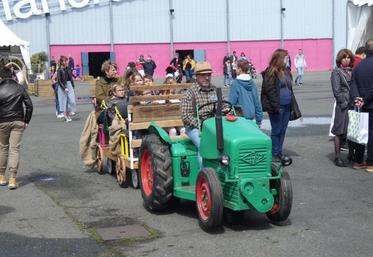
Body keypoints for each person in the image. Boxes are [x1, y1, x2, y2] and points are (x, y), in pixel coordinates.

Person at [0, 66, 33, 189]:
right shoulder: (20, 88)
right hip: (18, 120)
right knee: (14, 149)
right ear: (13, 75)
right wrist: (26, 120)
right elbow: (29, 105)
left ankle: (2, 176)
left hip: (2, 121)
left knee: (3, 148)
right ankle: (13, 179)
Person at [181, 61, 217, 167]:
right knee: (204, 146)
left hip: (214, 125)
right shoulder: (190, 93)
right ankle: (204, 176)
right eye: (203, 75)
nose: (207, 78)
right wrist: (202, 125)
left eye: (209, 75)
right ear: (196, 76)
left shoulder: (215, 90)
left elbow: (224, 107)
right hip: (195, 127)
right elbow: (186, 116)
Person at [261, 49, 293, 163]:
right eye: (286, 58)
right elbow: (270, 91)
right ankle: (274, 153)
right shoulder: (271, 72)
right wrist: (275, 107)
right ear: (280, 59)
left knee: (283, 130)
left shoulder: (286, 71)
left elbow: (289, 88)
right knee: (276, 130)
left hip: (287, 106)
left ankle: (279, 152)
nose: (287, 60)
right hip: (277, 107)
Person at [350, 39, 373, 172]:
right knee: (370, 133)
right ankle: (370, 162)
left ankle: (358, 160)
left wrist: (357, 99)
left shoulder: (359, 66)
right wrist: (365, 99)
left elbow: (353, 84)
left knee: (360, 131)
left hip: (361, 104)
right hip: (369, 103)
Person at [330, 49, 354, 167]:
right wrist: (344, 103)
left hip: (353, 103)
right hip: (343, 104)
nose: (347, 59)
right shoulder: (336, 72)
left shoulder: (352, 71)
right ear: (340, 59)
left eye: (349, 57)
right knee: (339, 131)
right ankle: (337, 156)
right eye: (344, 57)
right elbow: (336, 90)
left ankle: (351, 154)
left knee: (351, 130)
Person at [347, 46, 367, 169]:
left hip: (354, 100)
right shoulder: (361, 63)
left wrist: (355, 98)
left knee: (354, 127)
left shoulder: (355, 64)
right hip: (363, 102)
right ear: (363, 54)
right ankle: (360, 157)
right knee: (363, 129)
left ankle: (352, 154)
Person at [228, 59, 263, 126]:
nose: (235, 70)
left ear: (240, 69)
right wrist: (259, 120)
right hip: (251, 117)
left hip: (240, 118)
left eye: (236, 68)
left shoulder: (235, 83)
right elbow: (257, 103)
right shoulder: (252, 83)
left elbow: (231, 103)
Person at [57, 56, 77, 123]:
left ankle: (68, 115)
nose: (65, 62)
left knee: (72, 101)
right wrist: (64, 88)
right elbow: (59, 80)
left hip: (69, 85)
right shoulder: (59, 70)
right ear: (61, 62)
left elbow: (71, 78)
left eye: (66, 61)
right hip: (62, 86)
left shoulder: (68, 68)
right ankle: (66, 116)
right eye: (64, 61)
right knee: (64, 102)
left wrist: (73, 87)